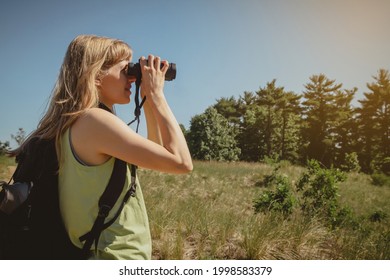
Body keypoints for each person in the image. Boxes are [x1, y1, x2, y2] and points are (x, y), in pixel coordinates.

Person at [13, 34, 193, 259]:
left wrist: (147, 100)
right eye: (126, 69)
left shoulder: (74, 122)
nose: (131, 78)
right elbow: (181, 162)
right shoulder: (95, 121)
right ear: (96, 75)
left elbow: (153, 158)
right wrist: (157, 95)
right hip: (115, 256)